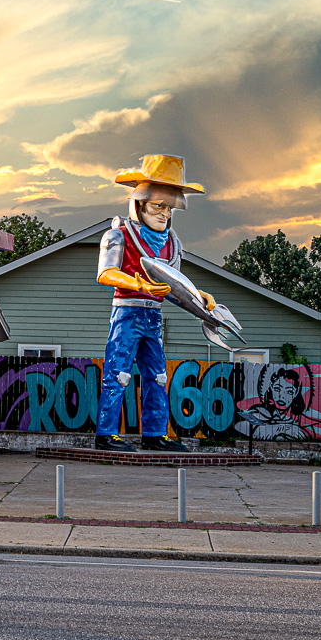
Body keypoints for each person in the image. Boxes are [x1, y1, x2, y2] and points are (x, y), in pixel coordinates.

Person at [93, 154, 221, 452]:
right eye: (157, 206)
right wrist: (139, 284)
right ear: (139, 205)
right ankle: (106, 433)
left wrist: (198, 296)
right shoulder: (118, 235)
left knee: (158, 376)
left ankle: (154, 433)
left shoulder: (171, 243)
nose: (164, 213)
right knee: (118, 373)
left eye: (169, 208)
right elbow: (105, 273)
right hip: (126, 313)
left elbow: (175, 282)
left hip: (153, 315)